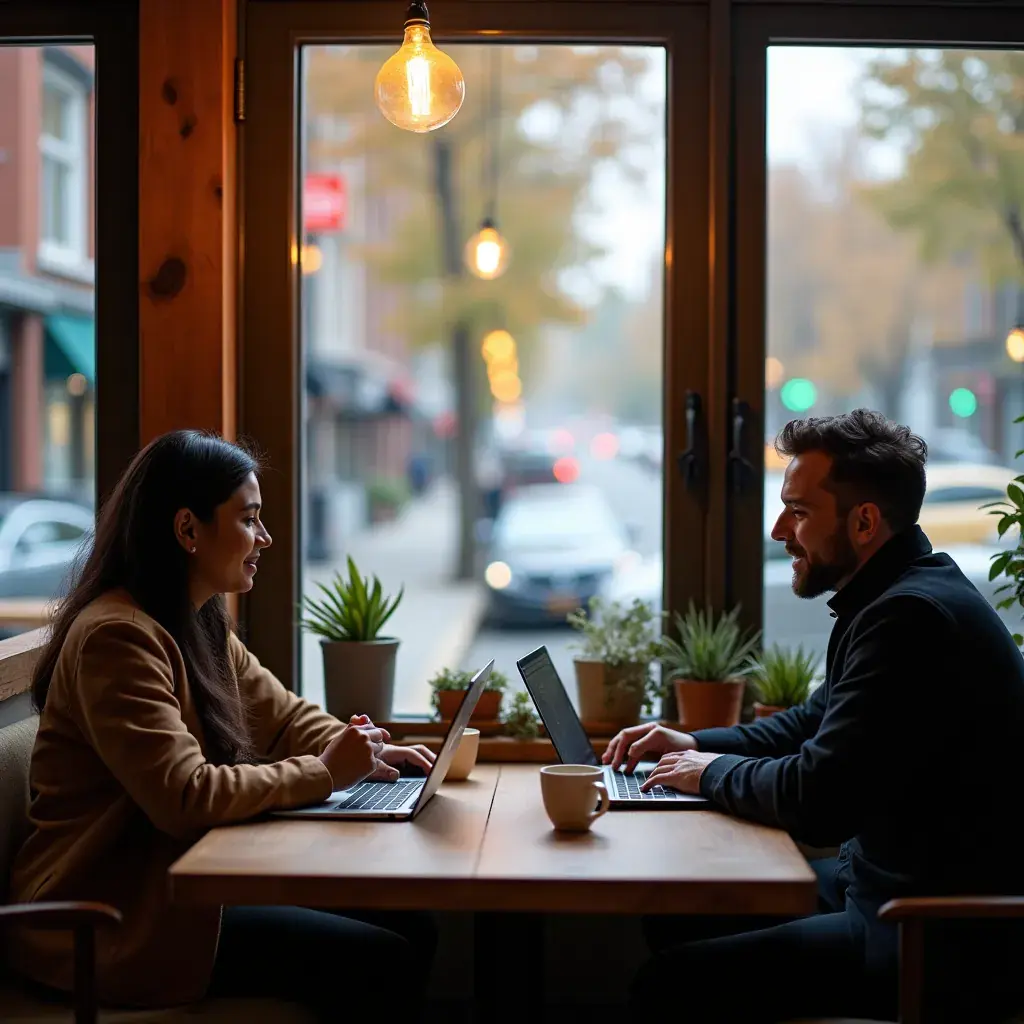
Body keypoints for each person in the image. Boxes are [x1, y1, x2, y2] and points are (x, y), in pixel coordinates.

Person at [607, 410, 1024, 1023]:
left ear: (863, 521)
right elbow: (807, 723)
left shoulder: (908, 619)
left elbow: (819, 797)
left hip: (929, 934)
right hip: (884, 892)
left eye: (799, 512)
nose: (779, 530)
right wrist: (690, 740)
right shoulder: (895, 595)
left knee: (664, 986)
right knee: (677, 912)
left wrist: (707, 771)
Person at [7, 430, 438, 1018]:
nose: (265, 538)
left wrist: (367, 750)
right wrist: (325, 772)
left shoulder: (196, 619)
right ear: (188, 530)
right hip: (115, 922)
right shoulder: (118, 638)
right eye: (250, 519)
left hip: (178, 894)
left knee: (413, 921)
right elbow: (185, 795)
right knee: (384, 960)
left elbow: (283, 716)